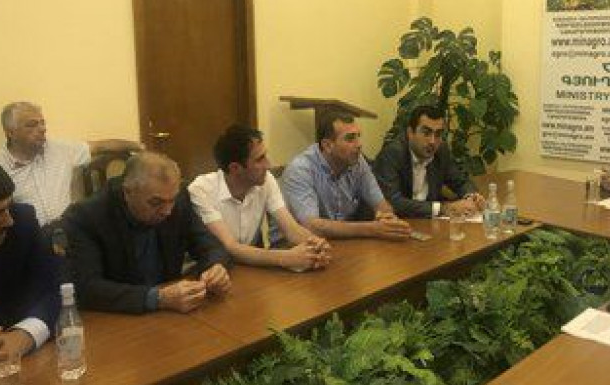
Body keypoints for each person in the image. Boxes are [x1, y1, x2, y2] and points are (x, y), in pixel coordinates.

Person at [62, 152, 231, 314]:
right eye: (155, 203)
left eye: (171, 200)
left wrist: (215, 268)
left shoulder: (176, 200)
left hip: (175, 311)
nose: (167, 211)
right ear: (128, 192)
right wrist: (157, 298)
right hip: (118, 317)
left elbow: (211, 247)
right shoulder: (86, 217)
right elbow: (87, 288)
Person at [189, 125, 331, 272]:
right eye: (259, 159)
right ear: (235, 168)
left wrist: (315, 245)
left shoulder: (266, 180)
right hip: (216, 272)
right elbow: (230, 247)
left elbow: (291, 229)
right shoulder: (201, 189)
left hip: (253, 267)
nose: (268, 165)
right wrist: (285, 257)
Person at [0, 153, 60, 380]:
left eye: (8, 207)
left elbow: (53, 291)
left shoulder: (21, 224)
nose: (8, 221)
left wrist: (19, 338)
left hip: (10, 369)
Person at [0, 101, 143, 226]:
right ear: (10, 132)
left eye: (42, 123)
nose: (42, 129)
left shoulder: (59, 150)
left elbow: (101, 146)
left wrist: (139, 147)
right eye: (32, 125)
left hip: (67, 230)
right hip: (30, 239)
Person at [279, 111, 411, 240]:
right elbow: (312, 226)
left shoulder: (357, 161)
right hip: (290, 245)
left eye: (358, 136)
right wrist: (372, 229)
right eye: (350, 138)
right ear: (327, 145)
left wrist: (386, 217)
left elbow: (380, 203)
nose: (359, 144)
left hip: (337, 241)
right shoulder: (300, 170)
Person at [373, 105, 485, 218]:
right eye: (426, 133)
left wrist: (471, 197)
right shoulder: (392, 154)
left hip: (431, 221)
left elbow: (460, 181)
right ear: (410, 133)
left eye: (438, 134)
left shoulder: (441, 151)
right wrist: (443, 208)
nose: (432, 141)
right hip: (400, 221)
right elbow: (392, 202)